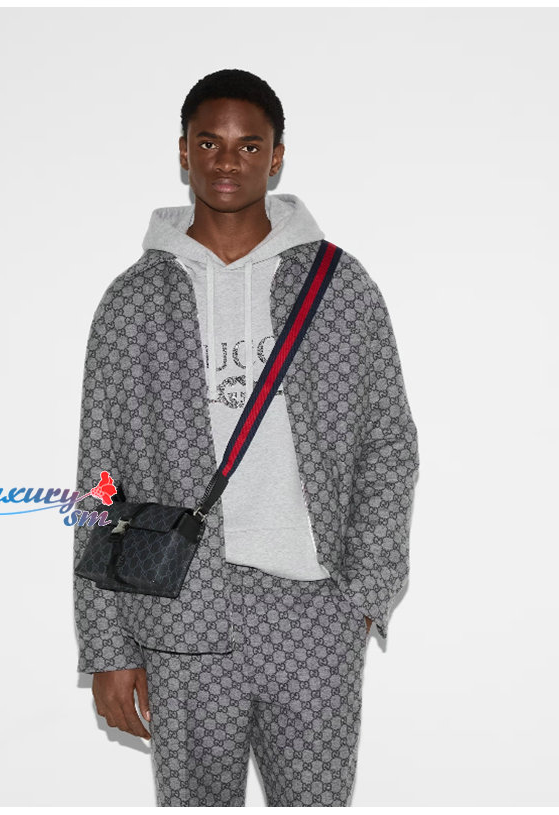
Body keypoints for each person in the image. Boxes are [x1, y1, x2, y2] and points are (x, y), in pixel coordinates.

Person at [73, 68, 419, 807]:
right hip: (179, 610)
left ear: (276, 157)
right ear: (184, 151)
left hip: (314, 606)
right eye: (209, 143)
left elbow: (388, 441)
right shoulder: (133, 301)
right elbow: (100, 478)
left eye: (248, 145)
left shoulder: (339, 286)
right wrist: (106, 645)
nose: (227, 160)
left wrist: (364, 590)